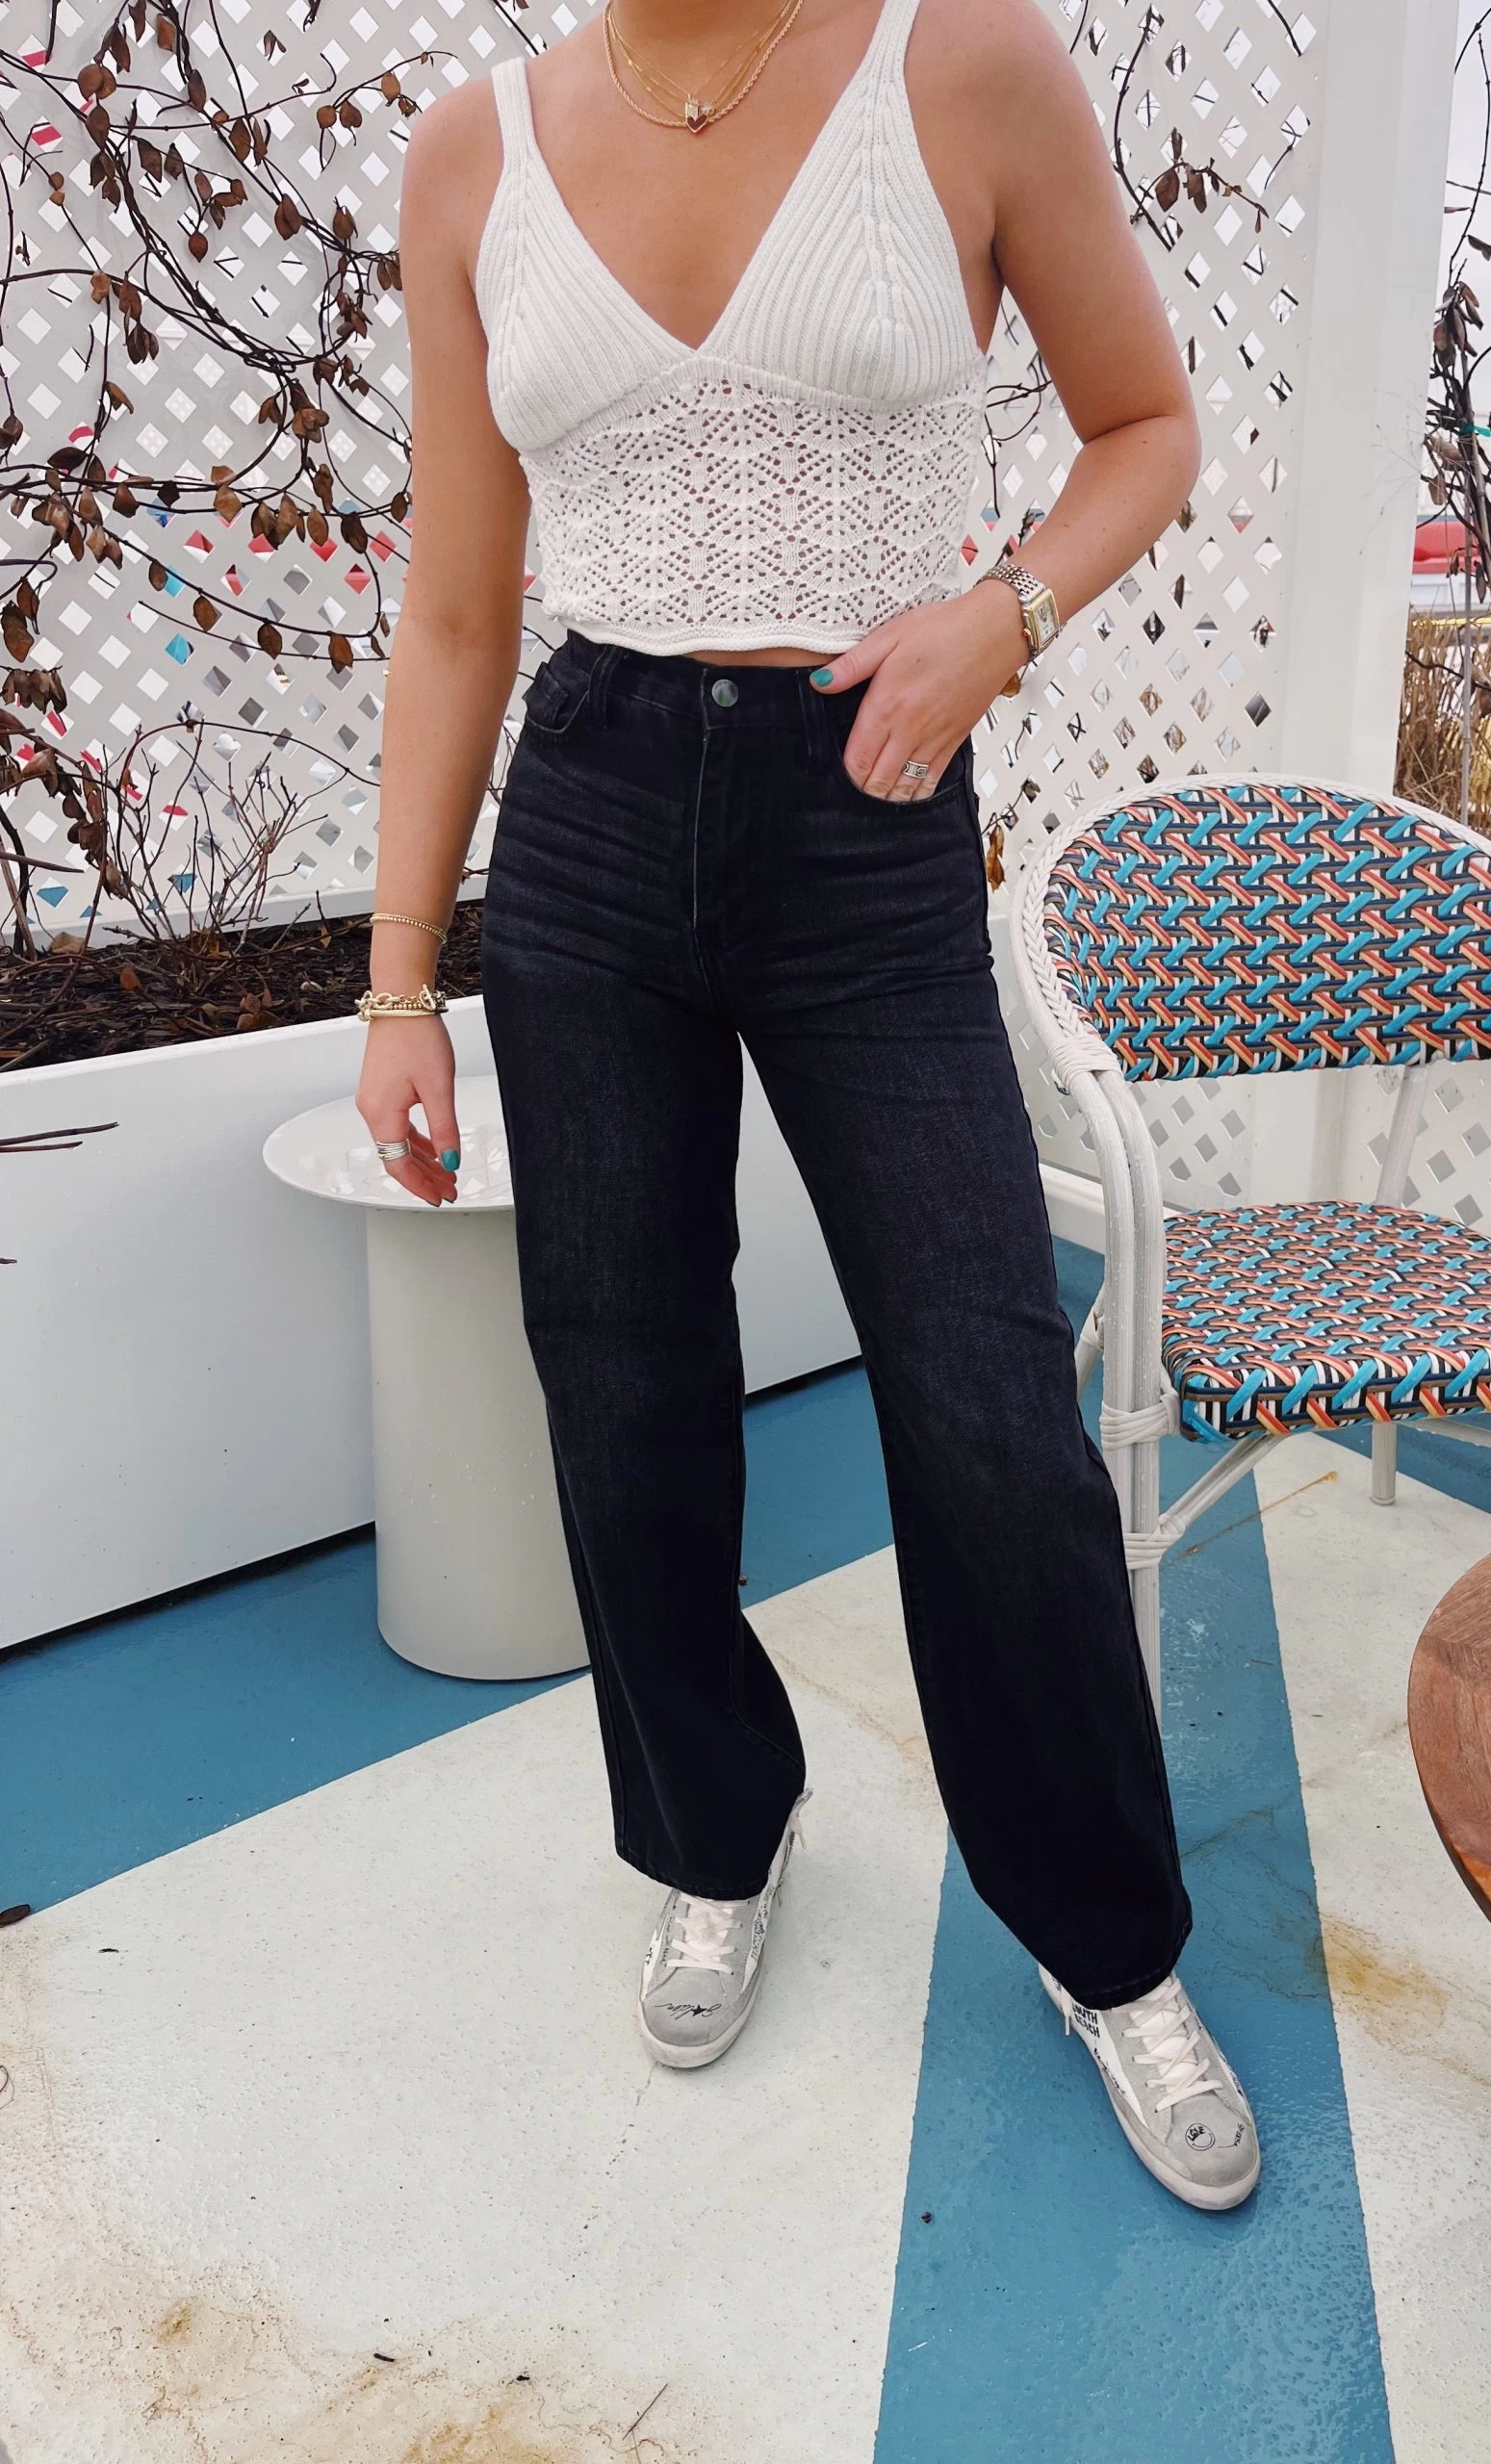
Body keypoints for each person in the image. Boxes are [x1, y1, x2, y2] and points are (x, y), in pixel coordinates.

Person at [355, 0, 1259, 2214]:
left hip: (868, 802)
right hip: (588, 820)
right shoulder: (474, 155)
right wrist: (396, 985)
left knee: (985, 1399)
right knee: (624, 1381)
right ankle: (714, 1834)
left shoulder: (961, 66)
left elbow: (1147, 424)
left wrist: (1002, 615)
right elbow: (459, 609)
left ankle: (1106, 1938)